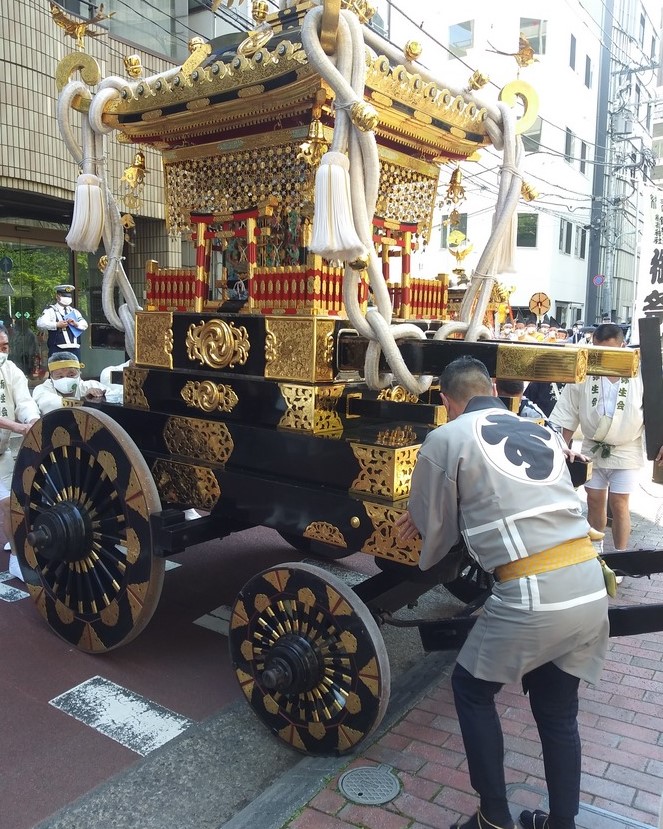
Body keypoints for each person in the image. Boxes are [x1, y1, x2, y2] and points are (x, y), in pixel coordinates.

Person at [396, 356, 609, 829]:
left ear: (448, 402)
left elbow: (436, 538)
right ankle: (561, 824)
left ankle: (493, 817)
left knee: (470, 689)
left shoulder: (446, 437)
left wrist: (424, 529)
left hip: (533, 592)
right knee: (557, 713)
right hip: (589, 583)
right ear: (492, 386)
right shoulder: (539, 427)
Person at [549, 323, 656, 557]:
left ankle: (619, 556)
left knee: (619, 504)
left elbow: (655, 410)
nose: (603, 356)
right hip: (592, 447)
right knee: (594, 500)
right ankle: (597, 555)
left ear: (623, 346)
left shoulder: (640, 372)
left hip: (625, 448)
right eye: (598, 350)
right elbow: (569, 413)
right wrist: (561, 448)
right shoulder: (585, 370)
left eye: (610, 351)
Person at [0, 325, 40, 580]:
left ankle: (15, 552)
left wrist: (33, 420)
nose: (3, 352)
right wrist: (16, 426)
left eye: (4, 347)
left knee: (10, 503)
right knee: (6, 504)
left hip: (1, 451)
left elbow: (24, 400)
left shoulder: (10, 369)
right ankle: (14, 548)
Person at [32, 352, 112, 415]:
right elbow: (49, 404)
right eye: (60, 376)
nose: (66, 379)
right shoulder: (41, 389)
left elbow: (114, 397)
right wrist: (85, 401)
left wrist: (99, 397)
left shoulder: (91, 386)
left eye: (71, 375)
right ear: (51, 377)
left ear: (79, 373)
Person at [36, 284, 88, 357]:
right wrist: (57, 325)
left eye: (68, 296)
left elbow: (85, 325)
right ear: (57, 296)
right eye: (64, 296)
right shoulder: (50, 311)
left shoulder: (74, 311)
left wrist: (76, 324)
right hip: (57, 350)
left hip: (75, 349)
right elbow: (40, 323)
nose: (67, 298)